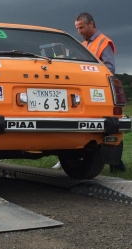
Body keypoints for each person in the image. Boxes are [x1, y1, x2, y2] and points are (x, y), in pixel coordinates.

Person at [52, 12, 126, 173]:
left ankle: (115, 161)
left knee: (107, 125)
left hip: (97, 90)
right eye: (77, 28)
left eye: (81, 27)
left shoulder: (103, 42)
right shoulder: (84, 45)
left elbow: (109, 69)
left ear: (91, 24)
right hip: (86, 89)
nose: (79, 32)